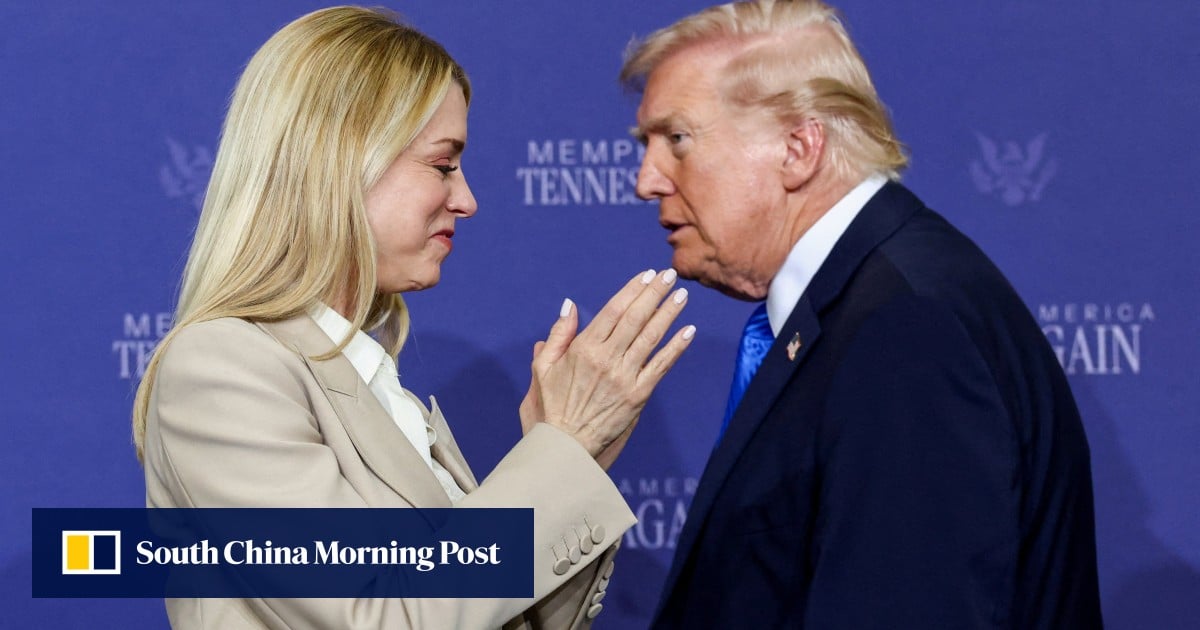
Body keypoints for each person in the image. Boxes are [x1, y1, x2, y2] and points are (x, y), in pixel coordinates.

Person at [132, 6, 695, 629]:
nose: (467, 199)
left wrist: (565, 460)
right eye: (443, 164)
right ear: (340, 160)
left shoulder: (373, 385)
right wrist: (562, 451)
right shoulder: (223, 367)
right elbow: (383, 615)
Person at [620, 1, 1103, 628]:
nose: (646, 180)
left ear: (799, 147)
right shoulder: (864, 308)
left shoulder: (907, 331)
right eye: (646, 145)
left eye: (677, 140)